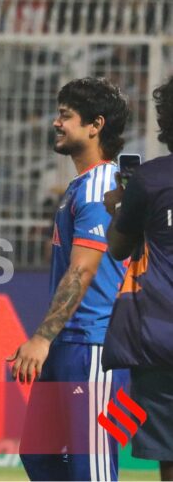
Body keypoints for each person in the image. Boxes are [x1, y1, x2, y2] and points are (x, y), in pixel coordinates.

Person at [9, 77, 129, 481]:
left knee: (91, 468)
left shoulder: (99, 187)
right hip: (69, 343)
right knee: (39, 456)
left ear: (95, 125)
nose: (56, 123)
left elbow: (83, 269)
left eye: (65, 115)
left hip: (92, 346)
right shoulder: (81, 186)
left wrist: (41, 338)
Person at [103, 75, 173, 481]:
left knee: (170, 454)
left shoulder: (151, 179)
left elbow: (118, 248)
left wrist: (118, 205)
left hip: (163, 336)